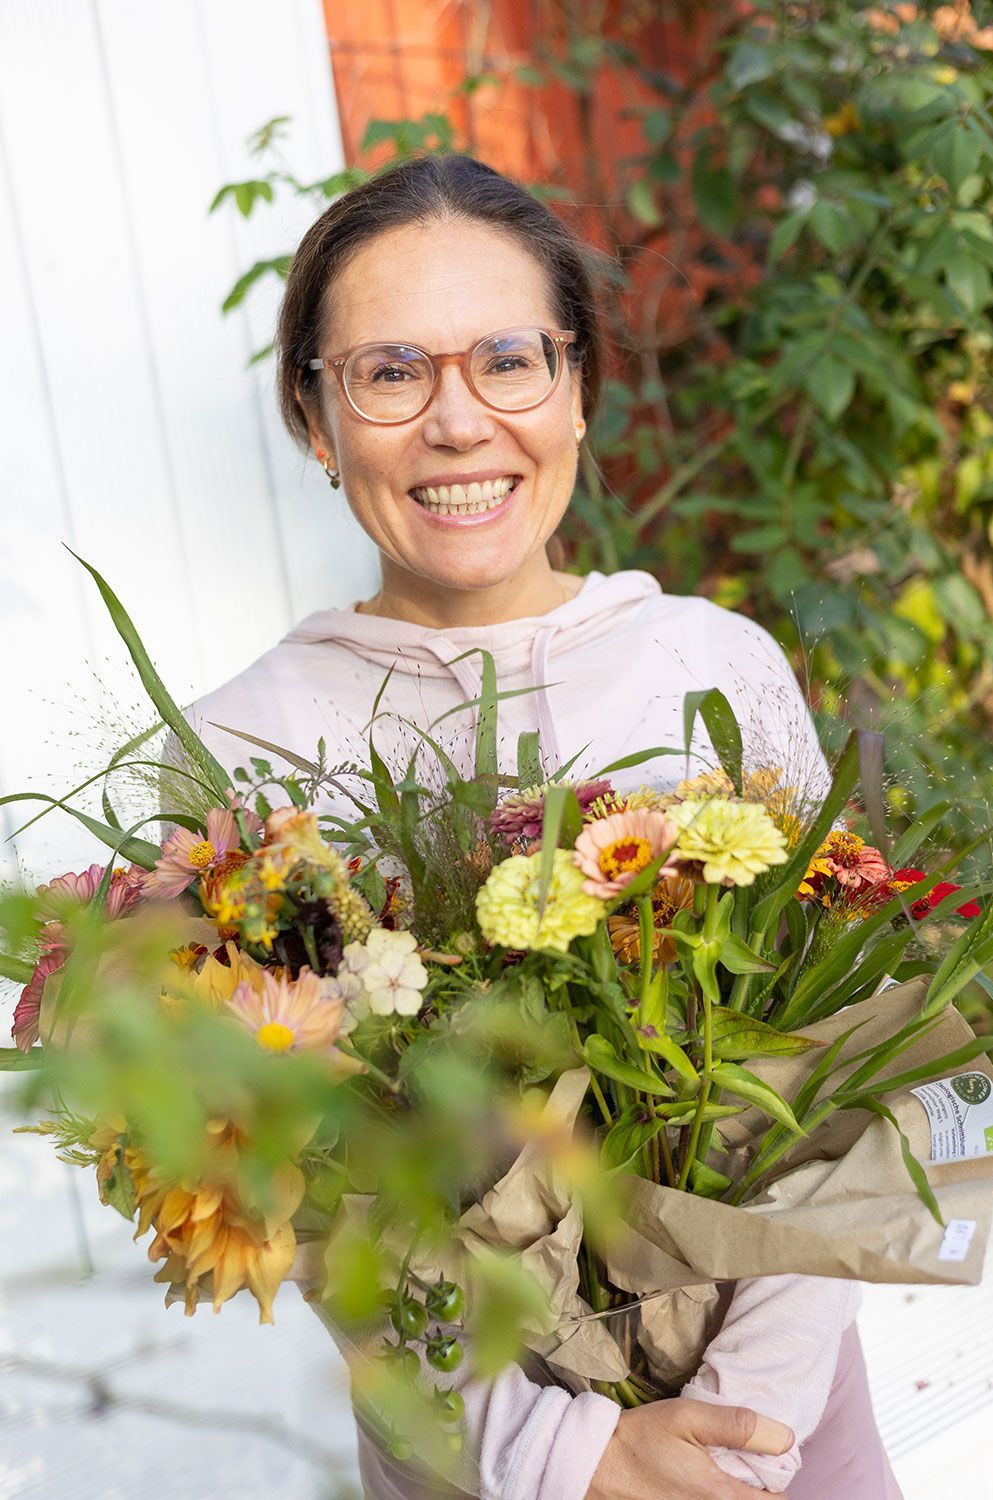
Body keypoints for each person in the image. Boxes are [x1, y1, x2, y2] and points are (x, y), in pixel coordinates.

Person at [179, 154, 903, 1499]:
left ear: (576, 390)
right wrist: (573, 1457)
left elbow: (845, 1078)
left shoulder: (712, 669)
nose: (459, 423)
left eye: (509, 360)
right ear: (315, 417)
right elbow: (303, 1187)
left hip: (786, 1437)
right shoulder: (245, 759)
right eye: (391, 373)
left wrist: (747, 1418)